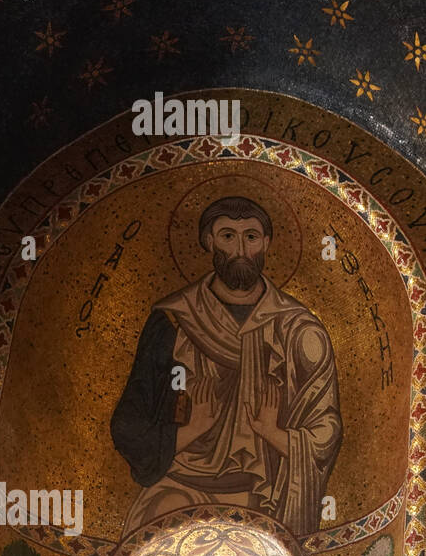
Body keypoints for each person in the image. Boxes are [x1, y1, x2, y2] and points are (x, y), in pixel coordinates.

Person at [111, 196, 343, 536]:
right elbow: (127, 426)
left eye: (250, 236)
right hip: (180, 483)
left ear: (266, 243)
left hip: (262, 494)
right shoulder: (173, 320)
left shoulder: (298, 331)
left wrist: (272, 433)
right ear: (209, 241)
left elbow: (327, 432)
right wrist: (192, 429)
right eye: (227, 236)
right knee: (158, 527)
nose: (240, 249)